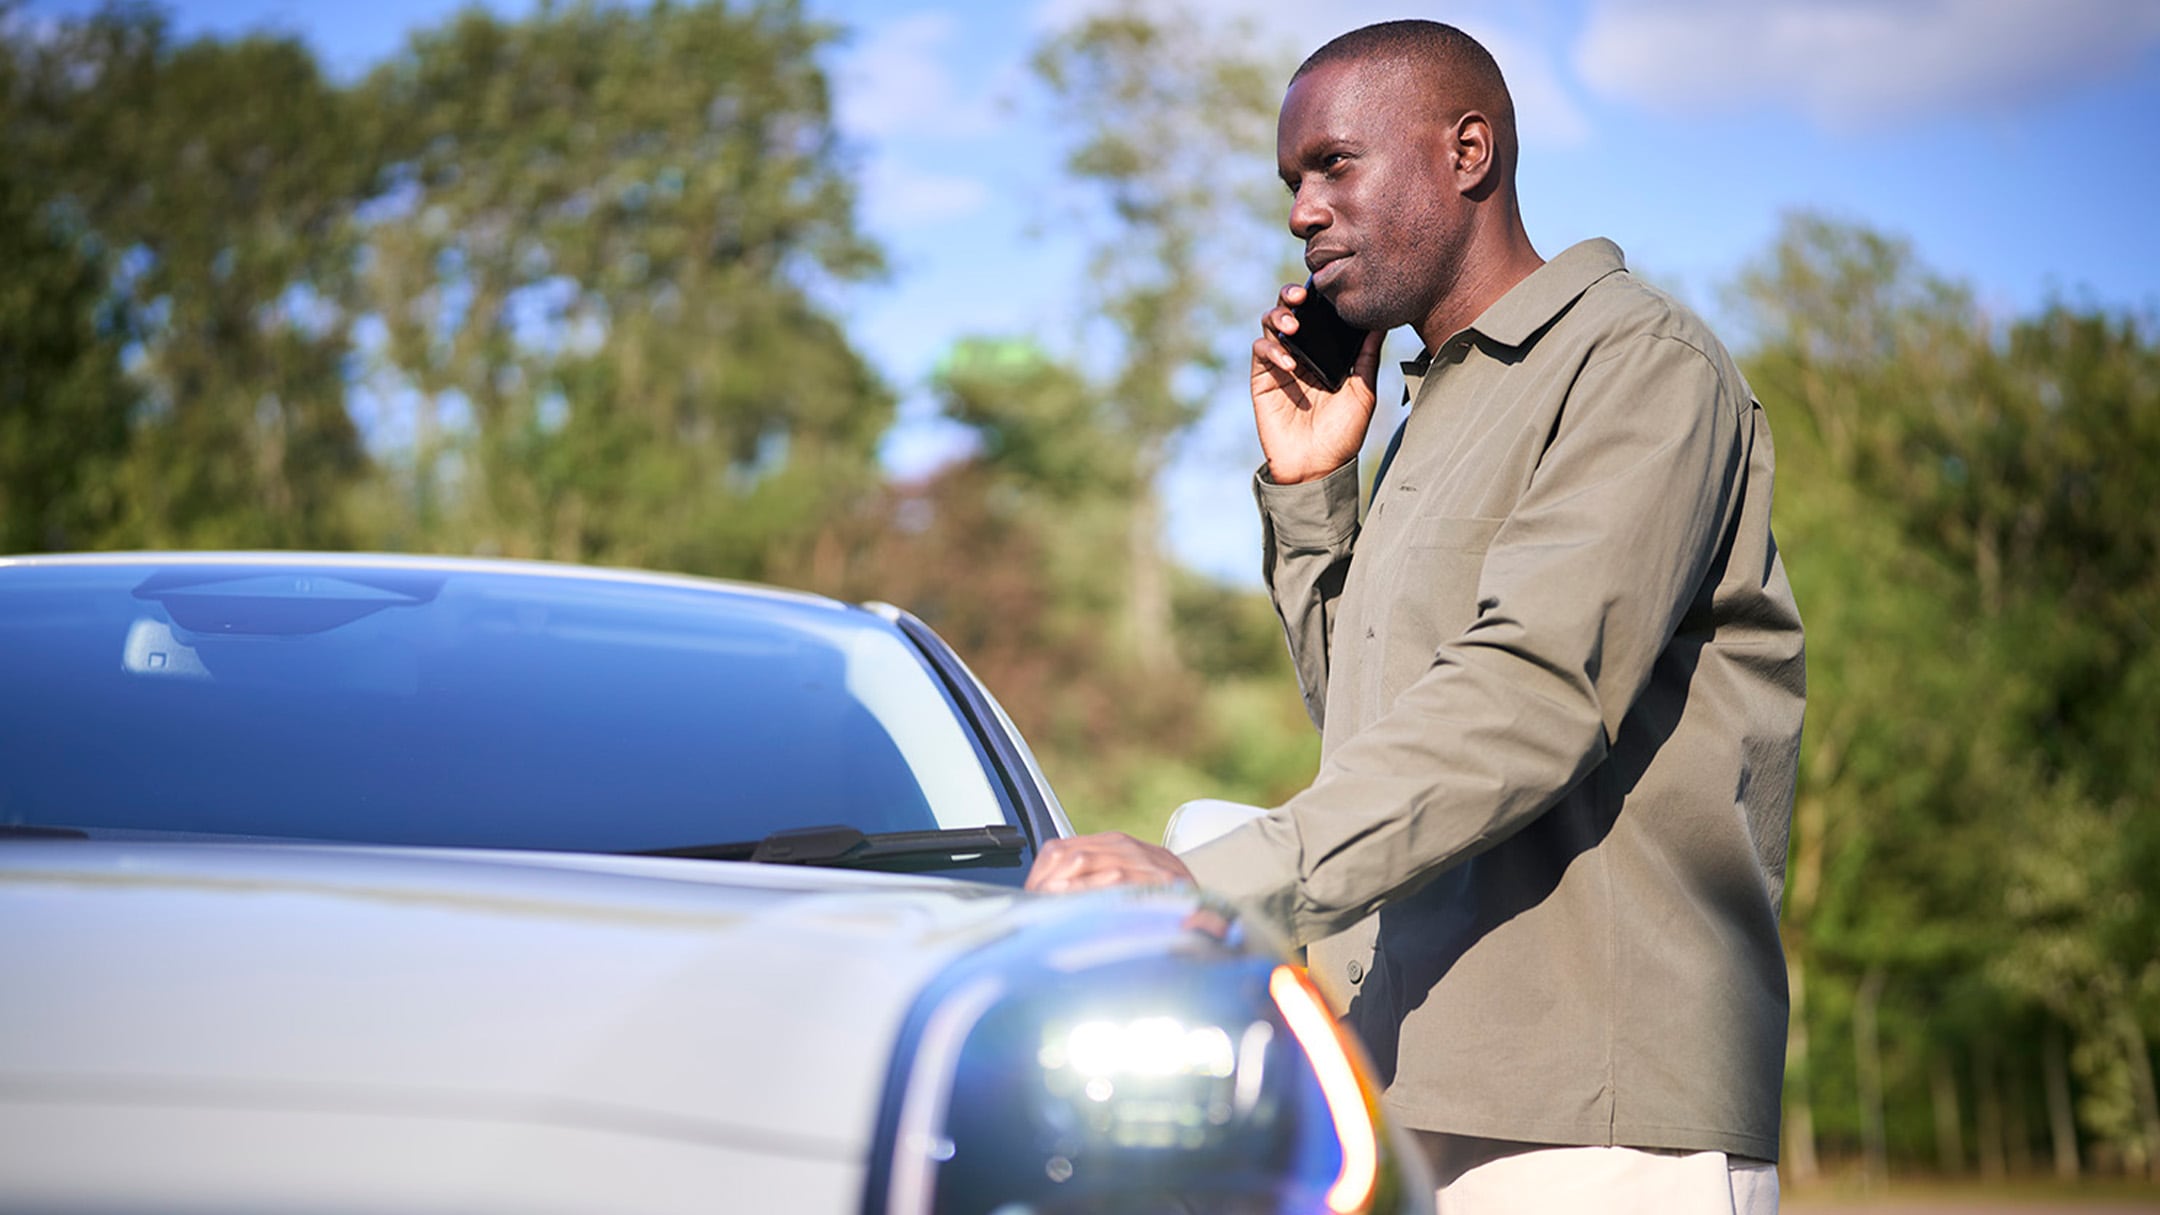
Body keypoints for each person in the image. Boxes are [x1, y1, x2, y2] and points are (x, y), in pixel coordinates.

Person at [1024, 18, 1806, 1214]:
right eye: (1293, 181)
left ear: (1468, 151)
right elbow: (1383, 728)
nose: (1301, 211)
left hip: (1603, 1131)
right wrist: (1309, 490)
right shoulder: (1423, 414)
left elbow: (1531, 700)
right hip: (1406, 1092)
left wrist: (1211, 884)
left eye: (1335, 164)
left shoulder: (1640, 364)